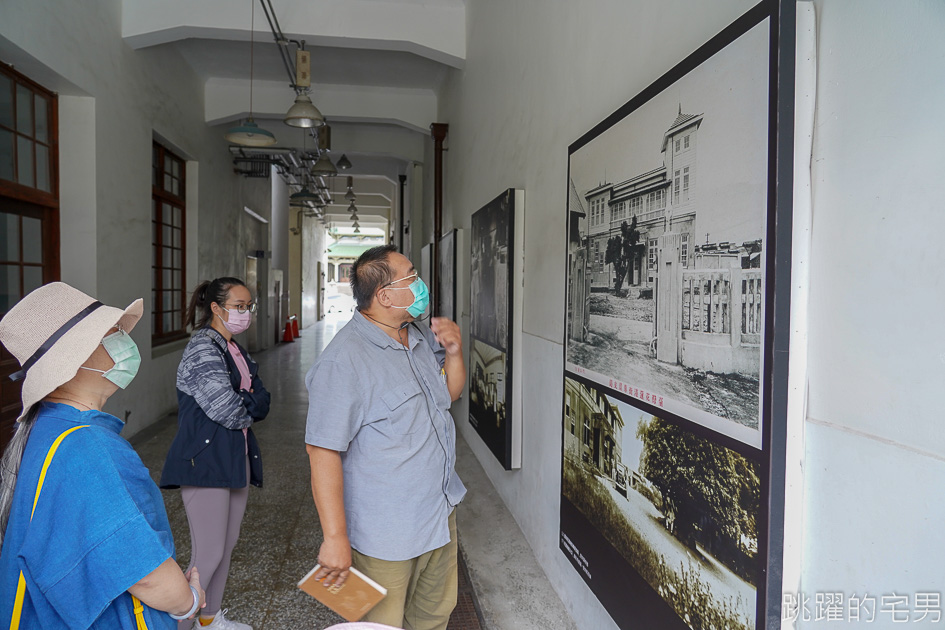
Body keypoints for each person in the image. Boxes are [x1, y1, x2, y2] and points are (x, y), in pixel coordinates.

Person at [0, 282, 206, 629]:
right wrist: (190, 602)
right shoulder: (86, 448)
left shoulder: (48, 429)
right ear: (75, 358)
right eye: (111, 333)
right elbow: (145, 574)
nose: (124, 341)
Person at [305, 245, 467, 630]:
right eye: (412, 276)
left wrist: (455, 353)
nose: (421, 283)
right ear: (385, 295)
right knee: (381, 625)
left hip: (439, 514)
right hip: (385, 534)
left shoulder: (415, 336)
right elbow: (322, 451)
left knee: (433, 616)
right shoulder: (342, 362)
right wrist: (335, 538)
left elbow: (448, 396)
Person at [160, 278, 270, 630]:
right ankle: (181, 625)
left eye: (248, 306)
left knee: (226, 547)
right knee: (208, 553)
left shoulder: (233, 347)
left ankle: (209, 620)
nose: (245, 312)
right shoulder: (203, 349)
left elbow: (264, 400)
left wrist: (251, 403)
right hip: (203, 462)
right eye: (239, 306)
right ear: (216, 308)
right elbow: (227, 409)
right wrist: (251, 403)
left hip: (233, 458)